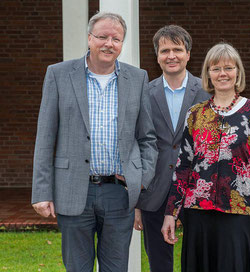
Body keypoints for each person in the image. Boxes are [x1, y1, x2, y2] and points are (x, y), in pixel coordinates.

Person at [31, 11, 157, 272]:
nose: (109, 43)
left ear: (122, 44)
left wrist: (141, 177)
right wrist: (42, 191)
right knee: (78, 267)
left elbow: (147, 138)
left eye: (116, 39)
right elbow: (45, 137)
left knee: (115, 267)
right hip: (74, 190)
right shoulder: (58, 74)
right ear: (89, 38)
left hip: (119, 193)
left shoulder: (138, 78)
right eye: (102, 37)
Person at [161, 42, 250, 272]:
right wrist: (170, 214)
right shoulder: (195, 114)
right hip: (198, 214)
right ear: (208, 75)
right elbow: (183, 166)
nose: (222, 73)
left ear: (237, 72)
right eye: (215, 68)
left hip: (238, 211)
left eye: (228, 68)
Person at [135, 25, 210, 272]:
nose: (171, 56)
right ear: (157, 56)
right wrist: (137, 202)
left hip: (198, 188)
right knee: (159, 262)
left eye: (177, 49)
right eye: (165, 50)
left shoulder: (207, 91)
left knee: (201, 259)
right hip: (155, 189)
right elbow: (136, 144)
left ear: (188, 54)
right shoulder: (144, 93)